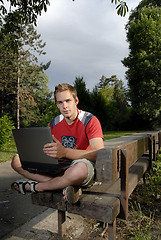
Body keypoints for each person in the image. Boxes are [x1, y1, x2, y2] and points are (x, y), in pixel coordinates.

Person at [11, 83, 104, 204]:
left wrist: (65, 152)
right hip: (59, 166)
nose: (64, 106)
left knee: (78, 170)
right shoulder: (54, 123)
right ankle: (64, 185)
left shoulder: (90, 120)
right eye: (60, 102)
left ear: (76, 101)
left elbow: (99, 153)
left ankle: (37, 186)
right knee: (16, 161)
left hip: (80, 165)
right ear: (57, 104)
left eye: (68, 101)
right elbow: (49, 148)